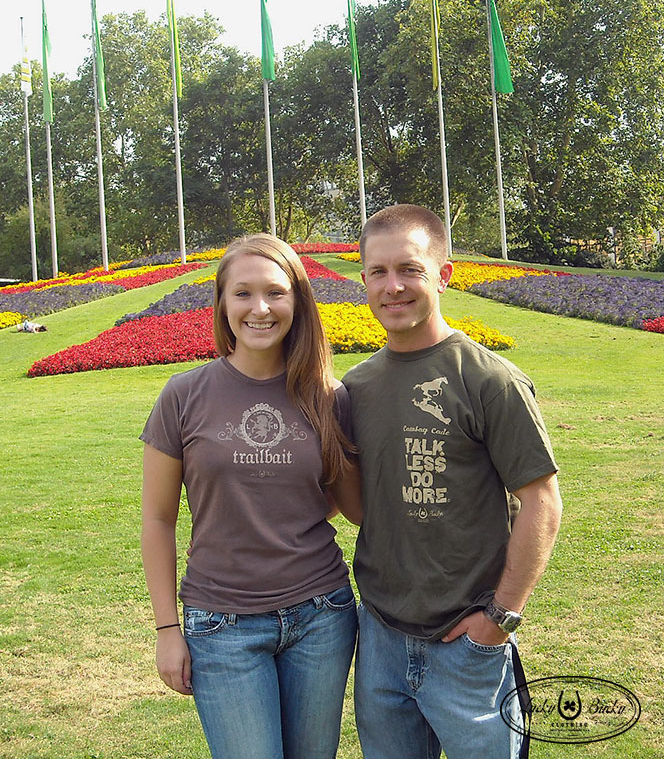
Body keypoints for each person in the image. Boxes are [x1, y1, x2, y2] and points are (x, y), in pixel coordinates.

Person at [343, 204, 562, 759]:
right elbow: (366, 507)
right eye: (378, 272)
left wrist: (501, 618)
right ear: (363, 279)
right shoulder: (357, 387)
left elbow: (541, 502)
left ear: (443, 274)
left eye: (410, 270)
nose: (393, 287)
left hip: (468, 644)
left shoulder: (490, 379)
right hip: (381, 639)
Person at [141, 234, 361, 759]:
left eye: (276, 293)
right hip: (221, 625)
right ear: (221, 303)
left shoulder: (329, 396)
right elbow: (156, 519)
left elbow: (348, 506)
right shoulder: (183, 395)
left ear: (298, 303)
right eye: (243, 293)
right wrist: (167, 628)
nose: (260, 308)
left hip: (321, 616)